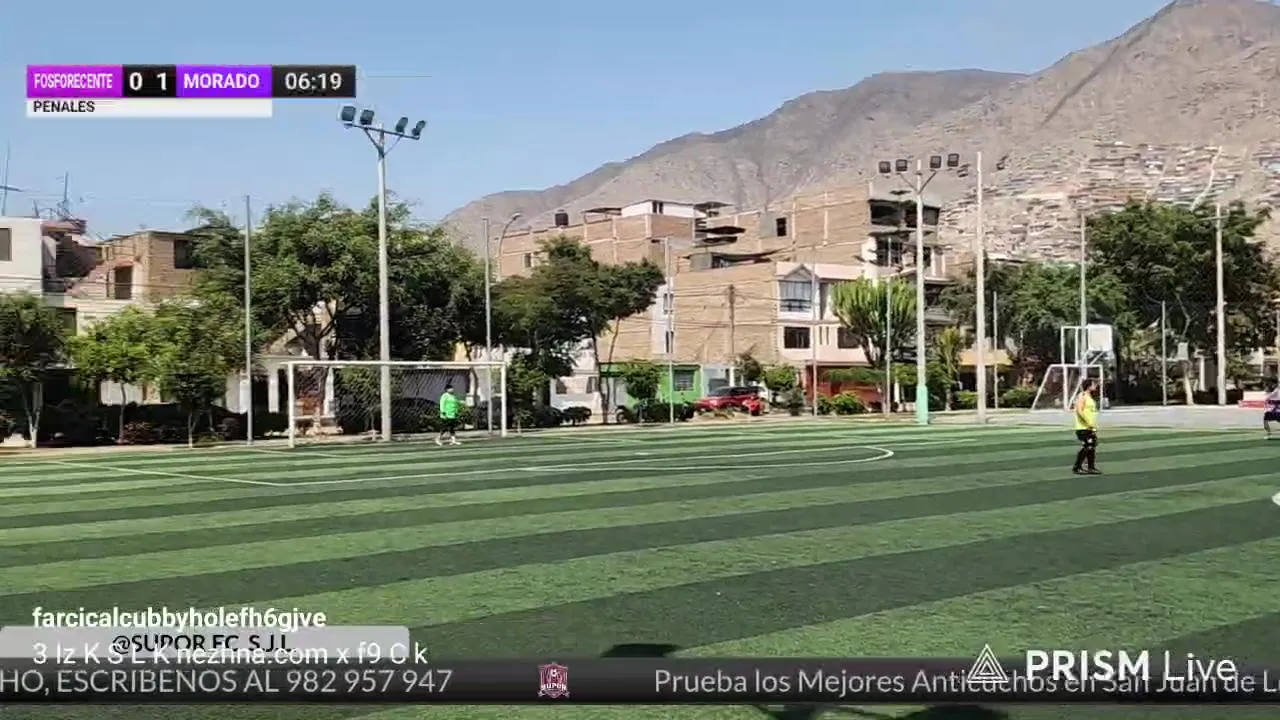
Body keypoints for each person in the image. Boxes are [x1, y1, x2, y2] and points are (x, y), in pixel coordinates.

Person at [1072, 378, 1101, 475]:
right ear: (1088, 386)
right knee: (1087, 446)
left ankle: (1091, 467)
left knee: (1091, 447)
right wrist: (1087, 423)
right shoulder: (1082, 396)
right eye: (1093, 384)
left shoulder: (1090, 397)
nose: (1095, 386)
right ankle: (1077, 467)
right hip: (1083, 427)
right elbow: (1079, 410)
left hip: (1090, 427)